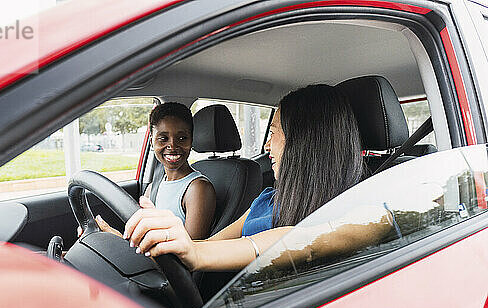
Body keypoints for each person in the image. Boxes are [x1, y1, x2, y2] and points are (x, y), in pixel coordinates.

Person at [97, 84, 393, 271]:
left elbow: (301, 239)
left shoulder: (367, 212)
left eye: (274, 132)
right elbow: (207, 245)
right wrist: (134, 244)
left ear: (304, 140)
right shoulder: (266, 200)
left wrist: (196, 256)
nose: (266, 146)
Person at [143, 102, 216, 240]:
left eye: (182, 138)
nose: (172, 145)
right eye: (163, 138)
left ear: (192, 140)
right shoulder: (153, 187)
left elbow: (192, 250)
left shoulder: (198, 188)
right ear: (152, 142)